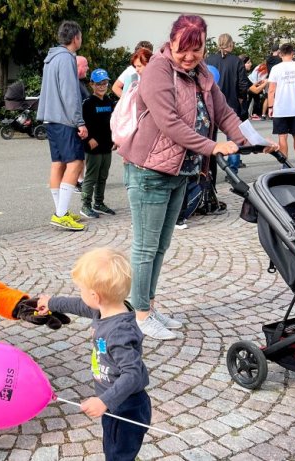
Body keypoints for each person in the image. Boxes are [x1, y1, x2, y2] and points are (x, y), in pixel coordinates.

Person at [119, 15, 277, 340]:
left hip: (181, 170)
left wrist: (254, 141)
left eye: (197, 48)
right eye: (183, 49)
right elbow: (170, 123)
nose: (189, 56)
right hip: (149, 170)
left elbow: (225, 113)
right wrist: (214, 146)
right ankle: (140, 313)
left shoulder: (201, 73)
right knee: (146, 247)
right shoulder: (157, 71)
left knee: (161, 245)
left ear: (205, 45)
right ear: (171, 42)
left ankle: (148, 303)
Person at [36, 247, 150, 461]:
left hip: (126, 408)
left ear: (95, 296)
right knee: (114, 449)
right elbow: (78, 305)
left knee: (118, 455)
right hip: (116, 403)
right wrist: (51, 302)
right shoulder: (105, 309)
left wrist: (104, 401)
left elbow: (132, 374)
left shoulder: (119, 332)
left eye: (81, 289)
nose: (80, 294)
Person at [37, 20, 87, 231]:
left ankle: (61, 210)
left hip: (50, 118)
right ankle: (60, 214)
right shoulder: (67, 59)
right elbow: (69, 93)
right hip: (65, 119)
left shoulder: (51, 58)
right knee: (75, 163)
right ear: (75, 38)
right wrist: (80, 122)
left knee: (57, 164)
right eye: (80, 36)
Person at [205, 33, 250, 176]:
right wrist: (241, 99)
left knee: (211, 137)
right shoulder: (236, 61)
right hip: (231, 103)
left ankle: (209, 169)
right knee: (234, 137)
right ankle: (232, 171)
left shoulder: (209, 60)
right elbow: (243, 84)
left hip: (210, 103)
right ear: (231, 44)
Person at [80, 69, 116, 219]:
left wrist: (115, 139)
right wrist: (89, 139)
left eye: (105, 83)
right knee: (91, 176)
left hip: (107, 144)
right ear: (92, 85)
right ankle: (85, 204)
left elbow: (114, 122)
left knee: (103, 176)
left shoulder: (109, 101)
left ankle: (99, 203)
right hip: (93, 146)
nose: (102, 86)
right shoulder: (88, 103)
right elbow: (82, 124)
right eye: (99, 83)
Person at [267, 43, 295, 169]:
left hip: (280, 108)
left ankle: (285, 165)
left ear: (280, 54)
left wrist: (270, 107)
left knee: (282, 137)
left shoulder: (276, 68)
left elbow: (271, 90)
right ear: (292, 53)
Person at [75, 55, 90, 193]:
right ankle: (76, 181)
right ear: (78, 66)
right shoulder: (74, 83)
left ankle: (80, 179)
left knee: (82, 154)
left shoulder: (80, 82)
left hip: (83, 124)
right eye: (85, 65)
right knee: (78, 155)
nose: (88, 68)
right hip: (77, 126)